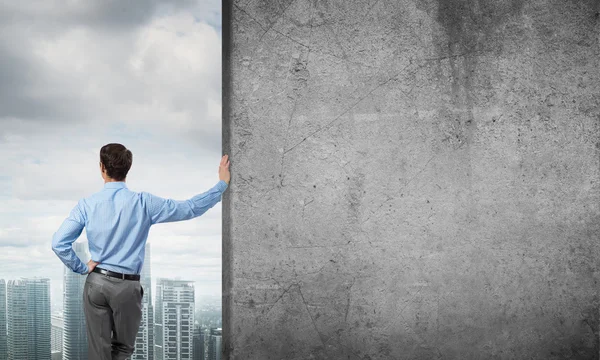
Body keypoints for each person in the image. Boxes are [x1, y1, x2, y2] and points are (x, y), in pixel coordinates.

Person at [51, 143, 230, 360]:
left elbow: (59, 242)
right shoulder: (144, 202)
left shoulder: (86, 205)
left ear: (101, 167)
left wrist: (81, 267)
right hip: (126, 287)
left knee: (98, 353)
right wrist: (221, 184)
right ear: (128, 168)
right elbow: (190, 208)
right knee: (123, 348)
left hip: (96, 283)